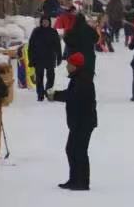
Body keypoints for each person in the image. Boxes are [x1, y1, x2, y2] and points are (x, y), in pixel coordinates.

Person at [47, 52, 97, 191]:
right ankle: (75, 179)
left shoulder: (82, 80)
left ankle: (82, 182)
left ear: (75, 66)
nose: (67, 66)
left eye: (69, 64)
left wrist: (55, 95)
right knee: (72, 150)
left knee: (78, 151)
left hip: (83, 122)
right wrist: (56, 94)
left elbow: (72, 96)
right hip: (78, 122)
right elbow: (71, 94)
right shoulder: (78, 78)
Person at [28, 16, 62, 101]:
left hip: (50, 58)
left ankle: (48, 92)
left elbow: (58, 46)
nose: (45, 23)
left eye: (47, 21)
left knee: (51, 77)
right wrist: (31, 59)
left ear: (49, 22)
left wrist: (59, 57)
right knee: (39, 78)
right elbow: (31, 46)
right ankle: (40, 94)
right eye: (43, 21)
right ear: (41, 22)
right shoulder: (36, 31)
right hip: (38, 58)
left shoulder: (53, 32)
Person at [64, 14, 99, 80]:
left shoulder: (72, 30)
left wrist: (72, 46)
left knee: (76, 78)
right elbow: (96, 38)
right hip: (88, 56)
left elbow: (66, 40)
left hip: (75, 56)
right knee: (87, 78)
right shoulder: (90, 29)